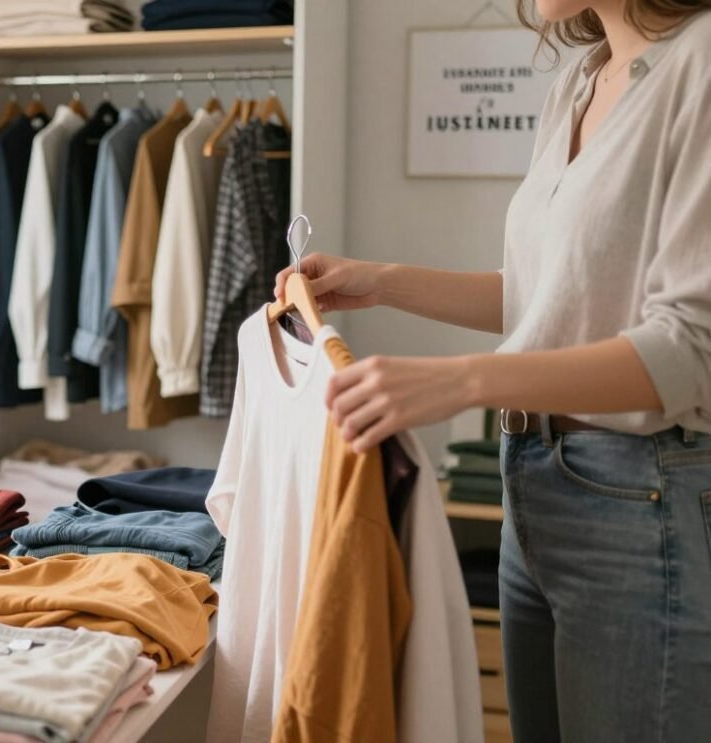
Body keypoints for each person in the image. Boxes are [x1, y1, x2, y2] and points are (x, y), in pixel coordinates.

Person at [273, 1, 711, 740]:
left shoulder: (700, 62)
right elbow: (551, 299)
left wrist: (461, 382)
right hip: (531, 485)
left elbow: (690, 349)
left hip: (640, 498)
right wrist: (382, 281)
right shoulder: (581, 79)